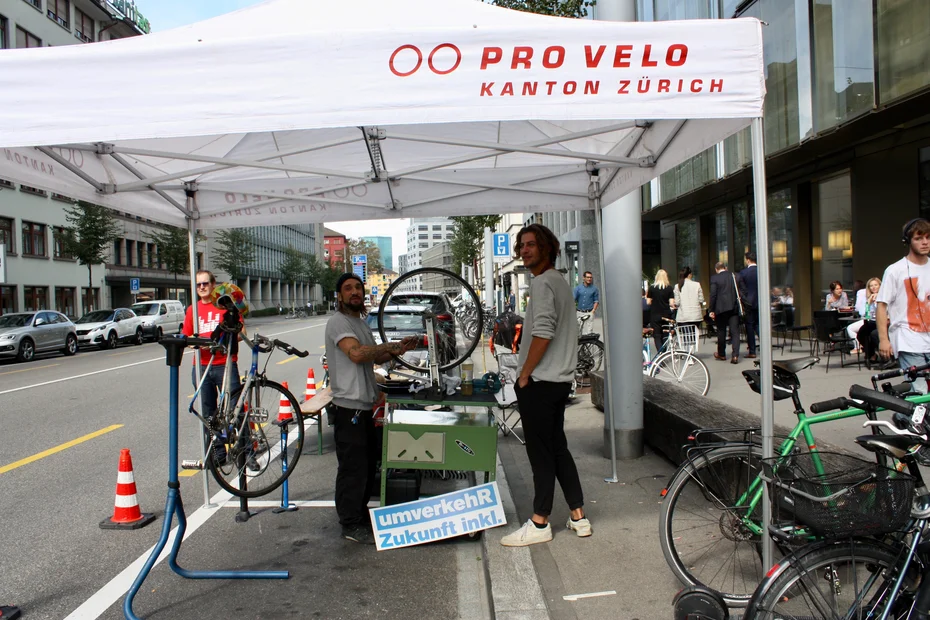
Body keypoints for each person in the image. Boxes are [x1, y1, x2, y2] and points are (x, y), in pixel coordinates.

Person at [500, 223, 590, 547]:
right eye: (521, 246)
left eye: (531, 245)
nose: (524, 250)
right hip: (560, 381)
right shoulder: (561, 282)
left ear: (546, 248)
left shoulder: (542, 284)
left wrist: (524, 374)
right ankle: (578, 515)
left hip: (541, 381)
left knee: (541, 454)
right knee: (557, 448)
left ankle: (540, 522)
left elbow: (544, 331)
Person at [325, 273, 418, 544]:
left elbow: (374, 355)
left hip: (364, 407)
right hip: (348, 409)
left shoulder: (359, 322)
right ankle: (350, 523)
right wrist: (385, 347)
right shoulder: (338, 323)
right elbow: (356, 354)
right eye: (348, 288)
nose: (354, 292)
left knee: (366, 466)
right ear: (339, 295)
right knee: (353, 468)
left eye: (358, 288)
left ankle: (359, 514)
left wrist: (398, 349)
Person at [182, 270, 241, 430]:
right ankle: (217, 453)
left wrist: (229, 337)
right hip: (202, 366)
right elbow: (186, 337)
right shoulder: (192, 310)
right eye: (198, 284)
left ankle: (246, 450)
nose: (202, 287)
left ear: (213, 285)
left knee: (234, 410)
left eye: (205, 283)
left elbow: (242, 333)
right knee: (208, 414)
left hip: (225, 364)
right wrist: (194, 343)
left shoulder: (225, 306)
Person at [878, 218, 930, 392]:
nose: (925, 242)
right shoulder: (895, 270)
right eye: (919, 238)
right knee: (920, 391)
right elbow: (881, 306)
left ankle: (901, 416)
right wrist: (884, 340)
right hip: (908, 341)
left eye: (928, 237)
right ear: (907, 241)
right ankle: (907, 417)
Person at [709, 262, 740, 364]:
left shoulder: (714, 278)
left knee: (721, 331)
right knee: (735, 332)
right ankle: (735, 356)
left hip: (720, 309)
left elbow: (713, 295)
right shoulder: (734, 276)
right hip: (733, 307)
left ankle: (722, 354)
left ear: (716, 269)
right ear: (725, 268)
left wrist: (711, 310)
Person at [849, 277, 881, 360]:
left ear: (880, 286)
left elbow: (883, 312)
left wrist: (877, 302)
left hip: (883, 322)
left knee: (873, 334)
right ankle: (871, 354)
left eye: (875, 285)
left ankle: (884, 355)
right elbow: (864, 314)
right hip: (872, 322)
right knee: (861, 334)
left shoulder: (883, 297)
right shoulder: (868, 298)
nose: (873, 287)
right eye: (871, 286)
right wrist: (868, 303)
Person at [647, 269, 676, 355]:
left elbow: (648, 302)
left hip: (655, 314)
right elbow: (671, 303)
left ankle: (660, 354)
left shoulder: (652, 288)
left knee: (657, 335)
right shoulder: (669, 288)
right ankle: (664, 353)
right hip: (666, 314)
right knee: (665, 334)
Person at [738, 251, 759, 359]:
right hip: (760, 302)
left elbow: (742, 290)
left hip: (749, 303)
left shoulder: (743, 273)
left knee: (750, 326)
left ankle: (752, 350)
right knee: (759, 325)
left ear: (748, 260)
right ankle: (765, 345)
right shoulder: (762, 271)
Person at [572, 271, 600, 335]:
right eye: (587, 277)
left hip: (589, 312)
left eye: (590, 277)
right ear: (583, 278)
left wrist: (593, 311)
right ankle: (579, 345)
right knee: (578, 332)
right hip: (579, 313)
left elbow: (596, 301)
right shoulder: (577, 288)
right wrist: (575, 310)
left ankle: (588, 344)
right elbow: (573, 300)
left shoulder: (594, 289)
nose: (589, 279)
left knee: (589, 333)